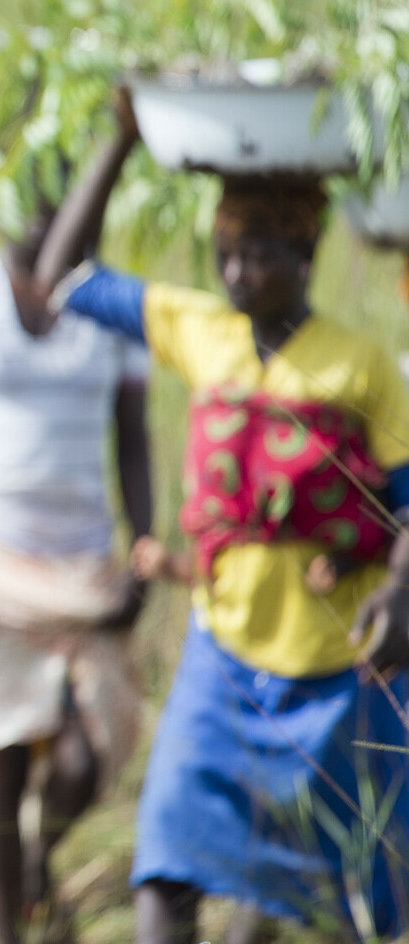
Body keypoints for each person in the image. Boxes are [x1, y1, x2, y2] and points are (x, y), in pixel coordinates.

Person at [34, 91, 409, 944]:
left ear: (306, 252)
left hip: (330, 674)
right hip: (221, 665)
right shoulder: (200, 331)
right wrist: (120, 136)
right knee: (166, 870)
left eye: (260, 257)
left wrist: (403, 593)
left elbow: (406, 503)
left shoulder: (359, 368)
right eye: (226, 255)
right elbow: (62, 276)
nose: (237, 275)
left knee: (324, 898)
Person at [0, 186, 153, 944]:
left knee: (82, 759)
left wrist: (142, 552)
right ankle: (8, 926)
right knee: (1, 769)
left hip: (81, 578)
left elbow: (133, 439)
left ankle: (42, 856)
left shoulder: (110, 311)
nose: (44, 211)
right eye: (24, 191)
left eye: (62, 191)